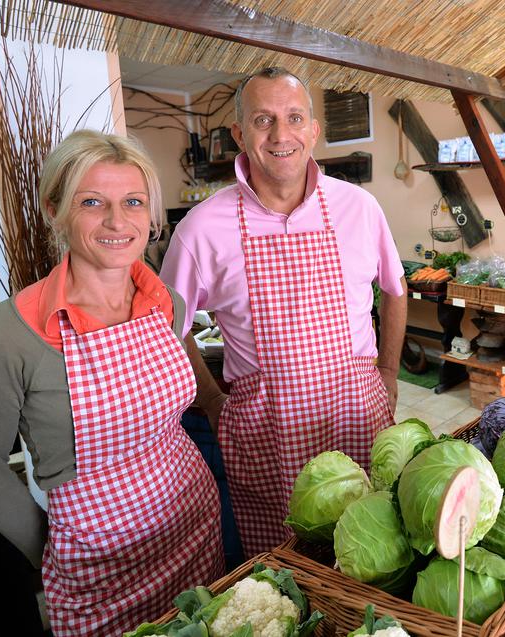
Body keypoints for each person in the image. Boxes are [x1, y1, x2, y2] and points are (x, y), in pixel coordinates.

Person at [0, 130, 224, 636]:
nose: (118, 221)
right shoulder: (0, 337)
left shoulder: (166, 304)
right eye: (92, 202)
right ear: (54, 209)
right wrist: (54, 549)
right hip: (99, 569)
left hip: (194, 526)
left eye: (134, 202)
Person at [160, 67, 407, 556]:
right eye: (263, 120)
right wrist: (210, 401)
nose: (281, 135)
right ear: (239, 134)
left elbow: (395, 291)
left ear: (314, 130)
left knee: (376, 550)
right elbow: (168, 327)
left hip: (358, 414)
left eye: (294, 117)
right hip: (266, 433)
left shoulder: (360, 207)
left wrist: (390, 371)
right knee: (285, 567)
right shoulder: (201, 229)